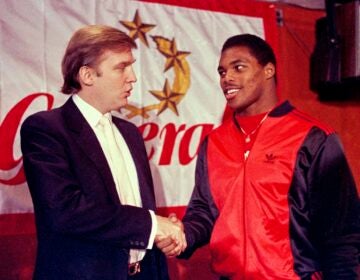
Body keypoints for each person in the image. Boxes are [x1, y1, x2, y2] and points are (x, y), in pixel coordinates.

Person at [157, 34, 360, 279]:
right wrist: (184, 236)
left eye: (238, 67)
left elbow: (342, 232)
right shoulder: (214, 142)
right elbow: (204, 212)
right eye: (222, 72)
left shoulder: (313, 137)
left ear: (268, 70)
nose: (227, 78)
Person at [20, 25, 186, 280]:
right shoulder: (45, 129)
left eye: (131, 66)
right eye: (121, 67)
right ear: (87, 75)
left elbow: (136, 211)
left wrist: (161, 235)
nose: (133, 77)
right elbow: (66, 211)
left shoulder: (130, 133)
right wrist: (152, 225)